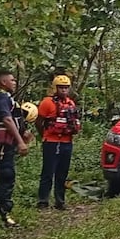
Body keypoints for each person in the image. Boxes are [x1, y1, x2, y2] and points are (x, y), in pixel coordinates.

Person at [0, 69, 29, 229]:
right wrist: (20, 142)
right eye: (12, 80)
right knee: (4, 177)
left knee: (5, 176)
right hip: (1, 147)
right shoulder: (1, 97)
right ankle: (2, 214)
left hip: (5, 146)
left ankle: (0, 212)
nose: (15, 82)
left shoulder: (4, 98)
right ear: (3, 82)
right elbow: (7, 119)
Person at [37, 74, 81, 210]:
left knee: (62, 173)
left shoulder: (70, 103)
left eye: (66, 88)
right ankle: (43, 201)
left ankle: (60, 201)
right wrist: (44, 135)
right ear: (55, 88)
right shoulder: (46, 103)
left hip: (67, 142)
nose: (64, 90)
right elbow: (39, 121)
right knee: (48, 172)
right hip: (51, 141)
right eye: (61, 87)